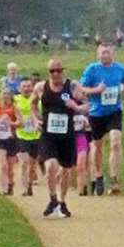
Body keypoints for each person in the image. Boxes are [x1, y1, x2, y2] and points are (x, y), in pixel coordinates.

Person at [33, 60, 88, 217]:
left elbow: (88, 106)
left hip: (67, 135)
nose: (56, 74)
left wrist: (76, 107)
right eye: (52, 71)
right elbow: (33, 104)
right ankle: (52, 198)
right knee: (51, 166)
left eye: (59, 70)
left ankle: (62, 201)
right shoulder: (41, 87)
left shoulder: (73, 86)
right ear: (48, 72)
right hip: (48, 134)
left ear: (63, 71)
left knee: (65, 170)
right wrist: (36, 119)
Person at [79, 44, 124, 195]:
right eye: (102, 53)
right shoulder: (92, 69)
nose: (104, 55)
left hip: (114, 111)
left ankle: (114, 178)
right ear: (97, 55)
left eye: (107, 53)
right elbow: (82, 89)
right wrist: (96, 90)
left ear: (113, 54)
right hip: (97, 113)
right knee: (98, 146)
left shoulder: (120, 68)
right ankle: (99, 175)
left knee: (116, 142)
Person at [13, 75, 41, 195]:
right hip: (21, 135)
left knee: (32, 164)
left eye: (29, 86)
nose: (26, 88)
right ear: (19, 88)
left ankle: (29, 184)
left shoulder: (37, 101)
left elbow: (42, 115)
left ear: (32, 88)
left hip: (36, 136)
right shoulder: (15, 100)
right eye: (24, 86)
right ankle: (25, 188)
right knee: (24, 162)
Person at [0, 88, 20, 195]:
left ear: (11, 96)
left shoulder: (15, 108)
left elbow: (21, 123)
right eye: (4, 94)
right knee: (3, 166)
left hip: (11, 139)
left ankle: (10, 184)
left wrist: (10, 123)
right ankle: (3, 189)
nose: (5, 96)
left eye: (8, 94)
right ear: (0, 95)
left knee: (10, 168)